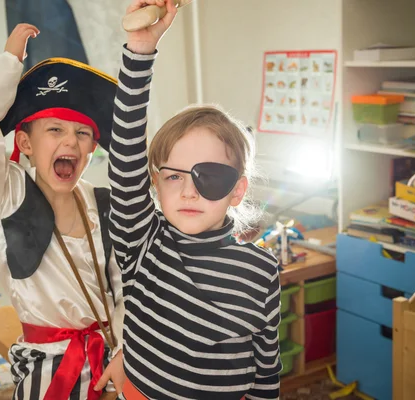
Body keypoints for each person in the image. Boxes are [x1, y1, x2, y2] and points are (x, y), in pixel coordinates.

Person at [104, 1, 282, 398]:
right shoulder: (143, 241)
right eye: (172, 176)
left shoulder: (260, 270)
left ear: (237, 190)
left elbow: (265, 367)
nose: (187, 191)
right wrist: (140, 51)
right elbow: (124, 157)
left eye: (208, 177)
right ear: (154, 183)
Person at [0, 23, 125, 400]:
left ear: (92, 149)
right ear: (24, 143)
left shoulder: (104, 203)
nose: (70, 141)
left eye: (82, 134)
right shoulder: (11, 193)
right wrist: (9, 62)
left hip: (111, 360)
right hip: (47, 365)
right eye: (55, 130)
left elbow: (122, 289)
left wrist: (124, 349)